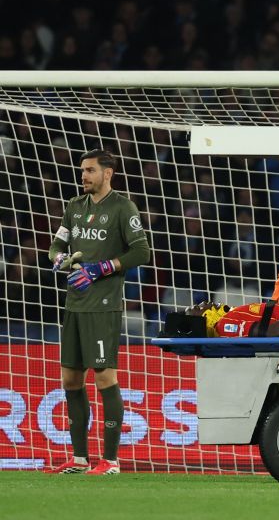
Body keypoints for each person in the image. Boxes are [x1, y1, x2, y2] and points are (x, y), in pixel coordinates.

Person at [47, 149, 151, 475]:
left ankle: (110, 461)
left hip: (104, 306)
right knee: (71, 379)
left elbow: (141, 252)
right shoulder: (74, 207)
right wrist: (59, 261)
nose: (84, 176)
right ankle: (80, 459)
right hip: (74, 304)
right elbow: (57, 244)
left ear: (108, 173)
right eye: (82, 170)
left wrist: (99, 269)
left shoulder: (123, 207)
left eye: (90, 170)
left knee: (104, 376)